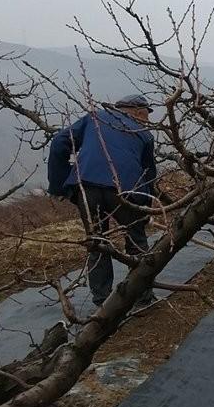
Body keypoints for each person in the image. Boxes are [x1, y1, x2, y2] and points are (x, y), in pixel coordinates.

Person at [47, 94, 157, 309]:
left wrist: (59, 184)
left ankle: (103, 304)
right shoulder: (143, 134)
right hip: (125, 190)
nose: (148, 121)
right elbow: (148, 174)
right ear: (135, 111)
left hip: (86, 186)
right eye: (146, 114)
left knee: (97, 243)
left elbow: (59, 143)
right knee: (136, 241)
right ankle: (143, 300)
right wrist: (145, 210)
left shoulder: (95, 119)